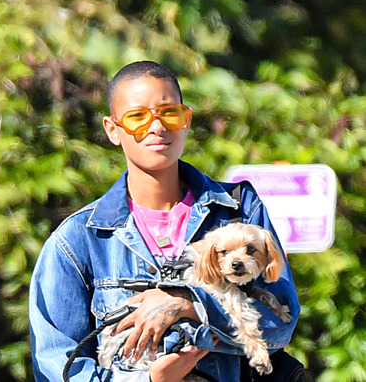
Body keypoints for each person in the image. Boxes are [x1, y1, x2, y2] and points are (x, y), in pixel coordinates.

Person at [28, 61, 300, 381]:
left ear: (186, 120)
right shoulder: (78, 240)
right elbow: (58, 367)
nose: (157, 127)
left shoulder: (239, 211)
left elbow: (280, 328)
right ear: (113, 129)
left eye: (169, 113)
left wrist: (188, 304)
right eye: (138, 117)